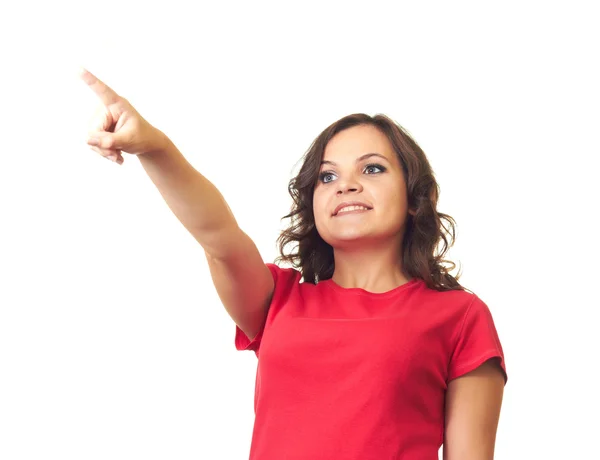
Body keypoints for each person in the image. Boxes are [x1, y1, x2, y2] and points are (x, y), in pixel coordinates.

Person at [81, 68, 507, 460]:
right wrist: (155, 148)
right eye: (327, 177)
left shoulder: (460, 317)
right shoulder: (276, 301)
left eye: (372, 169)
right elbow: (219, 239)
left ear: (416, 199)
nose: (347, 186)